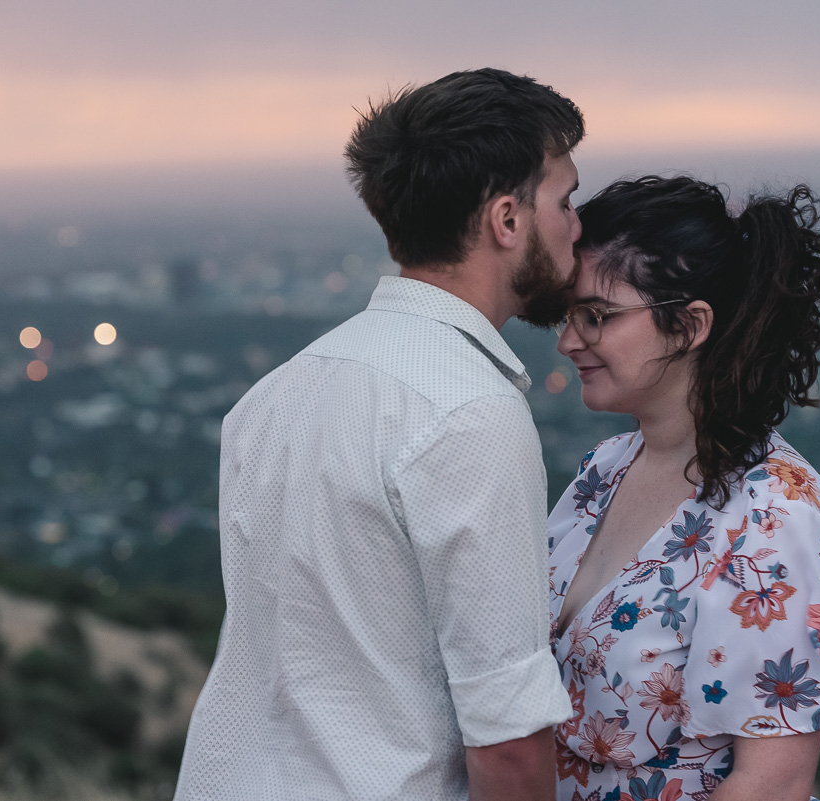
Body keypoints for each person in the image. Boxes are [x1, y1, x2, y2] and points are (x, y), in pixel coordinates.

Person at [175, 68, 583, 801]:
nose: (578, 227)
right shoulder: (471, 410)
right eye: (567, 198)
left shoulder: (275, 394)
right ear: (507, 220)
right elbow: (510, 742)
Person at [547, 176, 820, 801]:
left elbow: (771, 785)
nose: (568, 340)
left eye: (596, 315)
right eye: (569, 315)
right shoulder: (603, 470)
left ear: (691, 324)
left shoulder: (777, 515)